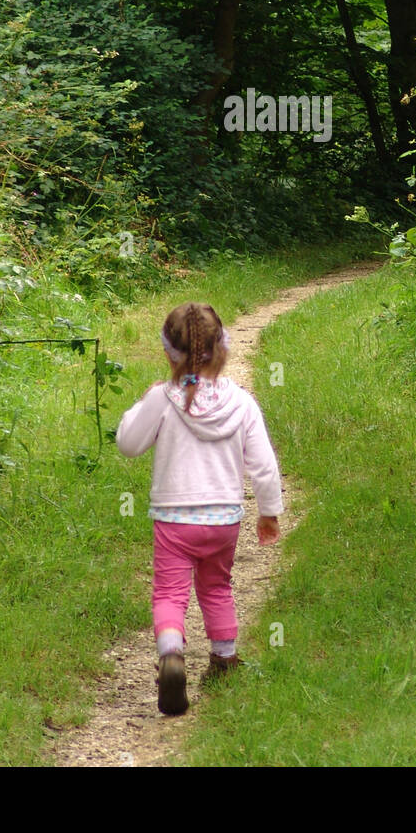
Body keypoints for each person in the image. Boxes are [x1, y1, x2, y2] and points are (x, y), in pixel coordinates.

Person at [116, 300, 283, 716]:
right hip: (224, 519)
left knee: (170, 593)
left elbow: (128, 444)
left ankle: (171, 655)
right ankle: (224, 660)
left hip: (174, 520)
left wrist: (141, 404)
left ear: (169, 352)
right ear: (222, 347)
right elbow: (263, 464)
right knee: (217, 587)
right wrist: (269, 511)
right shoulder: (241, 403)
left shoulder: (162, 398)